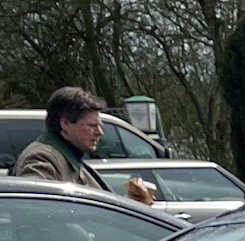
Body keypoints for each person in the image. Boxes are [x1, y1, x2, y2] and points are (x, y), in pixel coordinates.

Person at [12, 86, 155, 204]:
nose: (99, 132)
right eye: (92, 125)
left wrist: (131, 203)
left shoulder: (71, 158)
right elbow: (36, 209)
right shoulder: (41, 158)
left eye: (99, 125)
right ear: (65, 124)